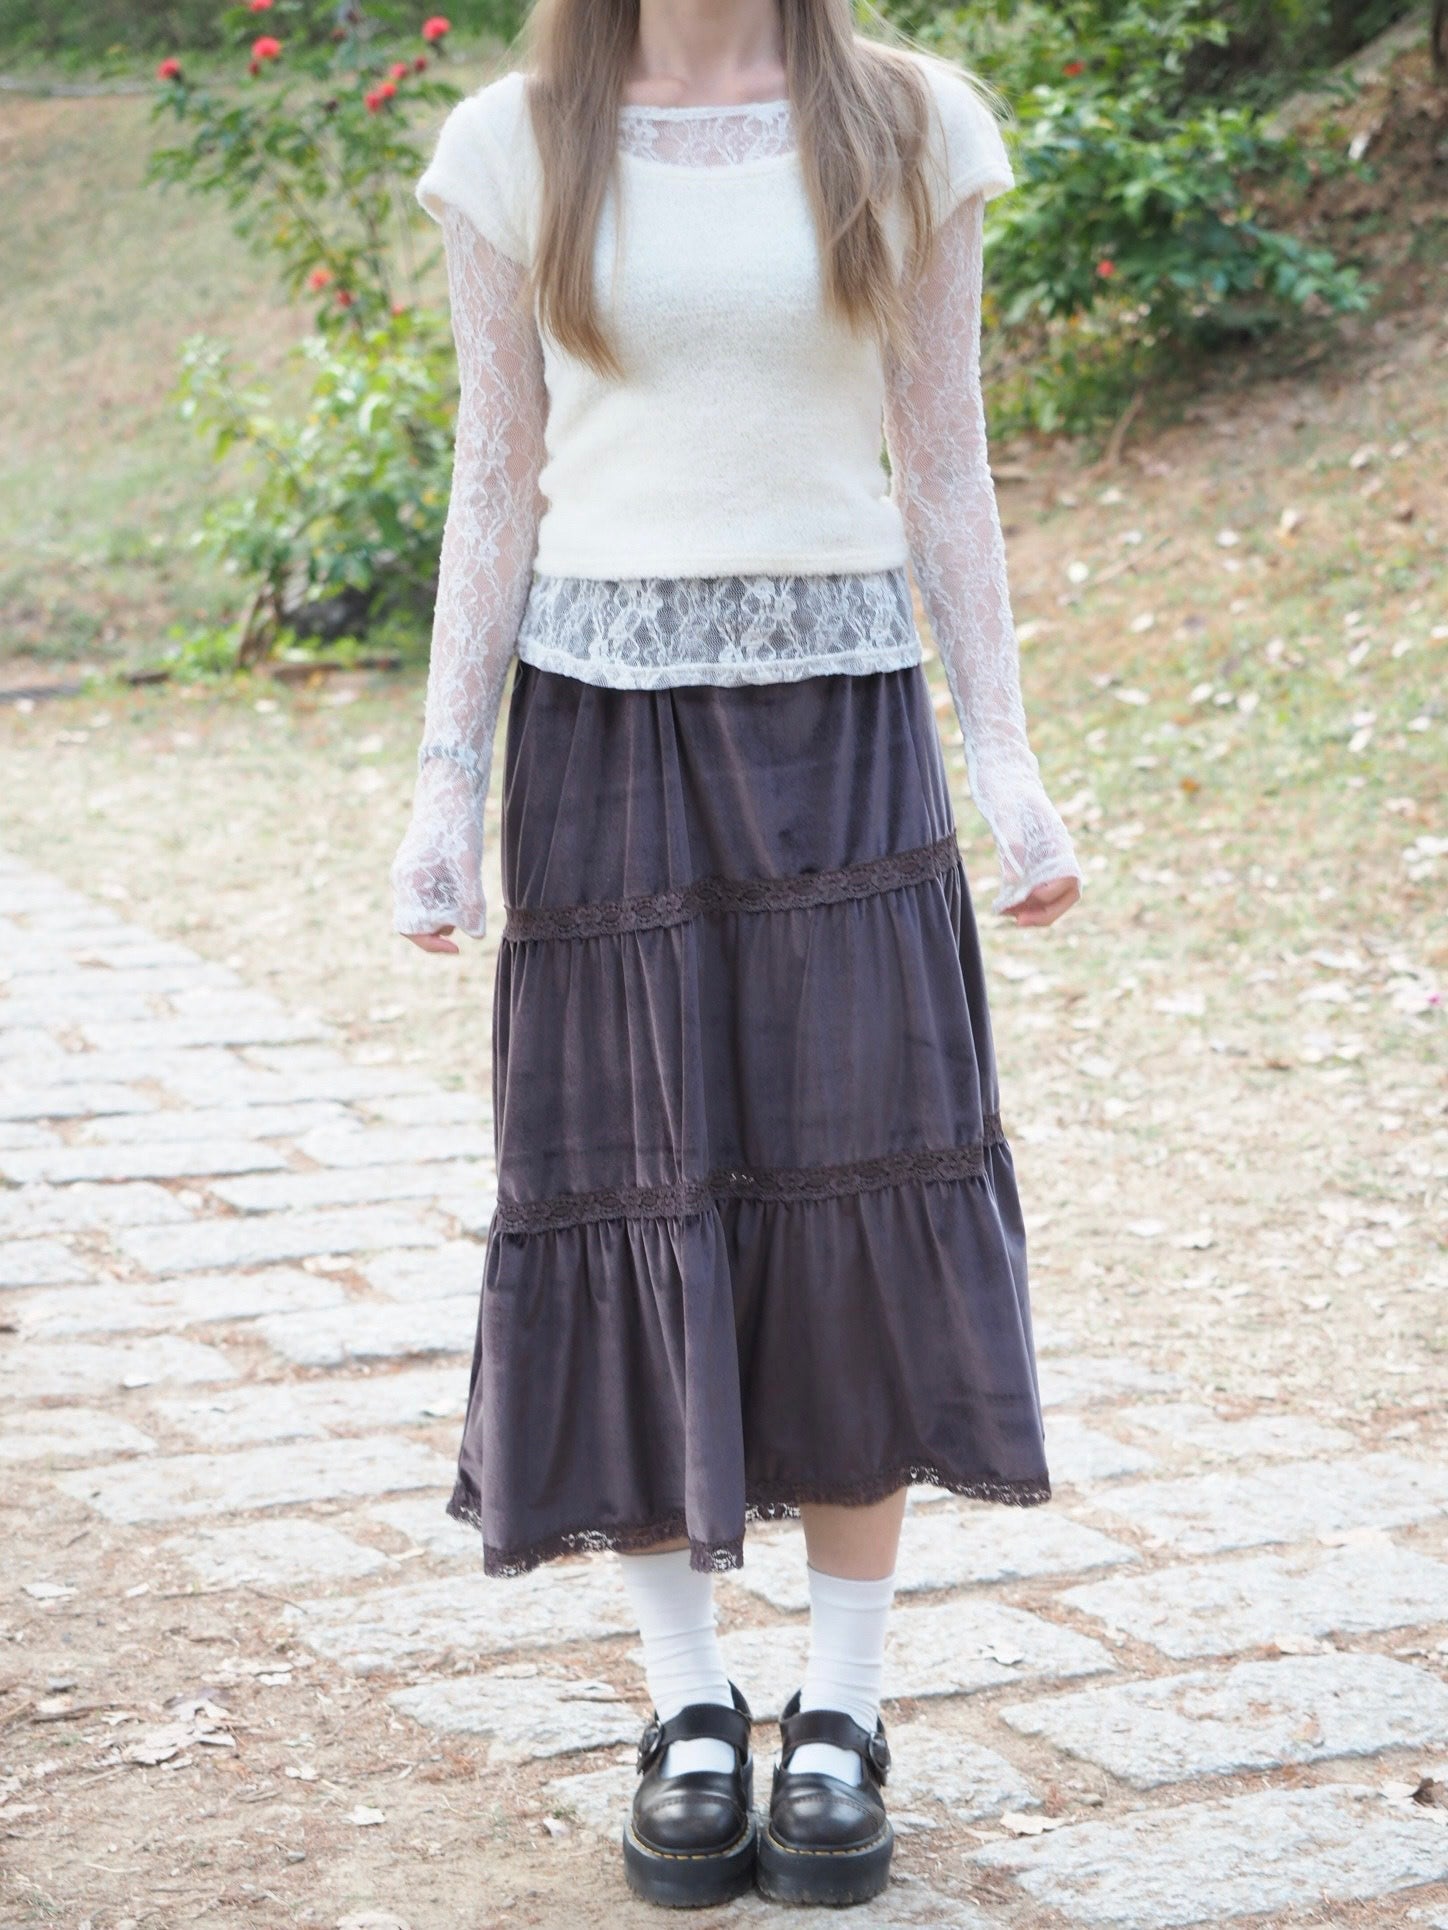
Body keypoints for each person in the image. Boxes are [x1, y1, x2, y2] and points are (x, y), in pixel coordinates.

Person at [390, 0, 1082, 1907]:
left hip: (846, 734)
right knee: (630, 1187)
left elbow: (947, 457)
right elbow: (496, 469)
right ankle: (685, 1702)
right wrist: (444, 782)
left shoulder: (910, 123)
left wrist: (1006, 758)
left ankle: (842, 1710)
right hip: (601, 742)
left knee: (860, 1195)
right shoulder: (514, 140)